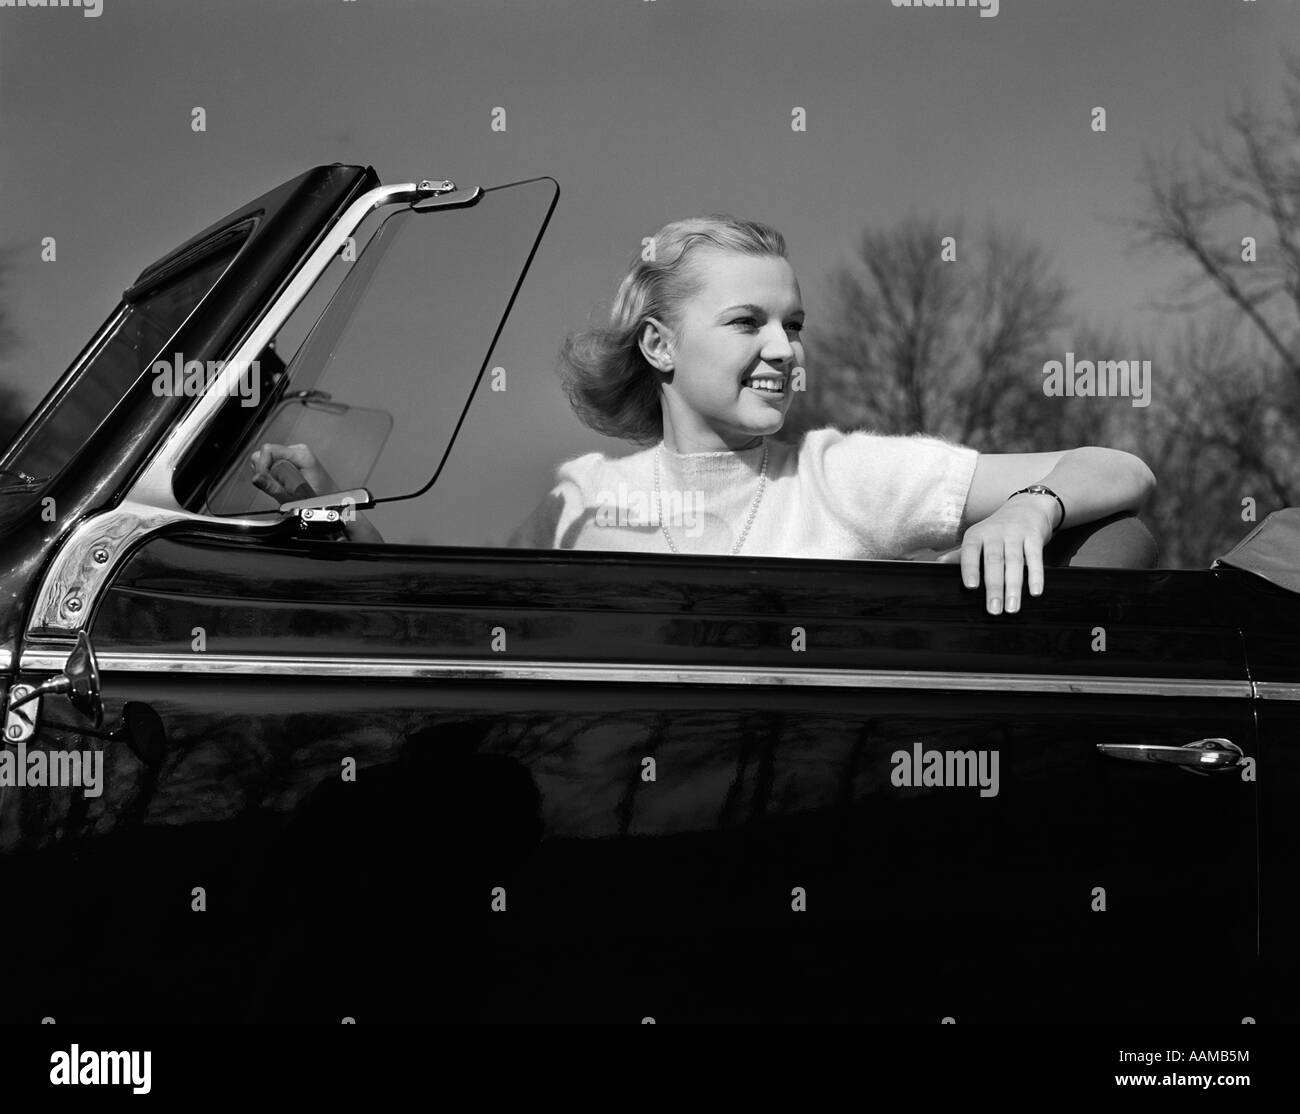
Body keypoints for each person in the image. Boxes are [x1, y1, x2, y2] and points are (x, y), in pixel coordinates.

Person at [506, 214, 1157, 615]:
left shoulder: (838, 476)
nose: (784, 350)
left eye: (793, 325)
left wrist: (1029, 506)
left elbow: (1119, 469)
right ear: (659, 345)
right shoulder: (579, 504)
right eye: (745, 322)